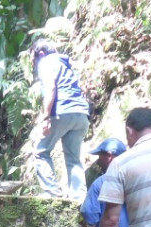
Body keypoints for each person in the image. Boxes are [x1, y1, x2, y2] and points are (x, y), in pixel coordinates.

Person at [29, 39, 90, 202]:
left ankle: (51, 193)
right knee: (73, 158)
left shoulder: (46, 62)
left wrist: (46, 116)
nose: (34, 64)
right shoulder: (66, 64)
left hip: (62, 111)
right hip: (81, 114)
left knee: (41, 150)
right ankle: (79, 198)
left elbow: (50, 88)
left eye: (33, 59)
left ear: (40, 54)